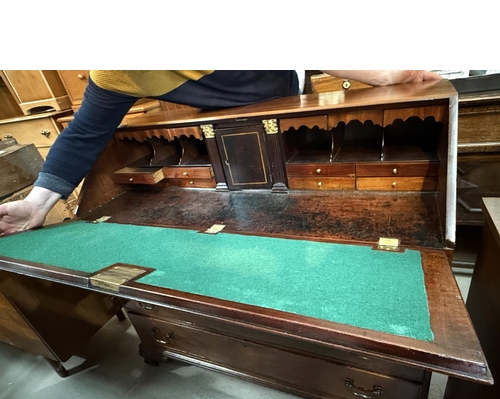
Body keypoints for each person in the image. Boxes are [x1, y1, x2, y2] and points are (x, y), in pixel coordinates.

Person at [0, 70, 441, 236]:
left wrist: (386, 72)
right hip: (219, 117)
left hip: (278, 91)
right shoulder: (120, 69)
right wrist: (38, 203)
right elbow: (83, 133)